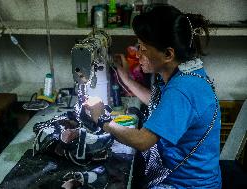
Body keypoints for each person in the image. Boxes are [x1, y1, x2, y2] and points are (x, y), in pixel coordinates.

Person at [83, 4, 221, 189]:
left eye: (142, 48)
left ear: (167, 54)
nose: (137, 53)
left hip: (186, 185)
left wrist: (103, 120)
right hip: (184, 176)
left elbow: (142, 141)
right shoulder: (187, 72)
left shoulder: (182, 90)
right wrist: (127, 79)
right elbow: (164, 107)